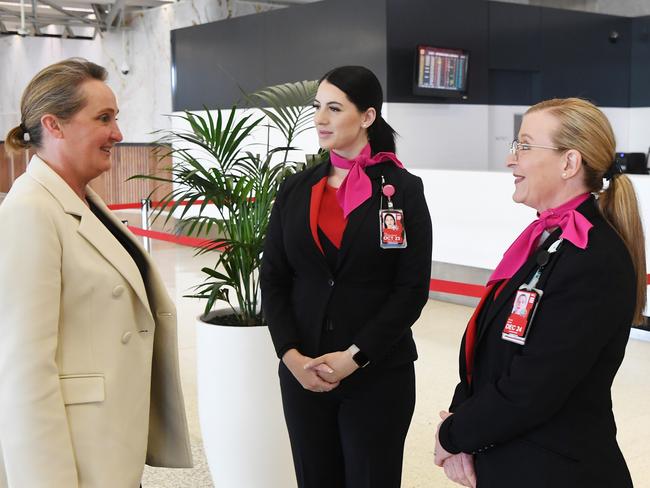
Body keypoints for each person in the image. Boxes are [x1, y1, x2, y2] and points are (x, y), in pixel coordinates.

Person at [434, 98, 646, 488]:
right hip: (513, 458)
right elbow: (492, 348)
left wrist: (453, 435)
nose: (510, 160)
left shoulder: (594, 258)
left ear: (569, 163)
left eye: (525, 146)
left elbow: (533, 388)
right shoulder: (550, 241)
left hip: (559, 471)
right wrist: (462, 417)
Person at [0, 58, 192, 488]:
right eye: (103, 118)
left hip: (109, 447)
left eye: (116, 118)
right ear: (55, 125)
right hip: (75, 463)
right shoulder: (30, 211)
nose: (118, 134)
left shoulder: (83, 200)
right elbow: (23, 373)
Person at [261, 65, 432, 488]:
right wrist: (291, 356)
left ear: (368, 117)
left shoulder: (403, 189)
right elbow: (274, 278)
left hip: (377, 374)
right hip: (305, 374)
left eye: (334, 108)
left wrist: (354, 356)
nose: (320, 118)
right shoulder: (296, 189)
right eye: (317, 107)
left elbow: (411, 290)